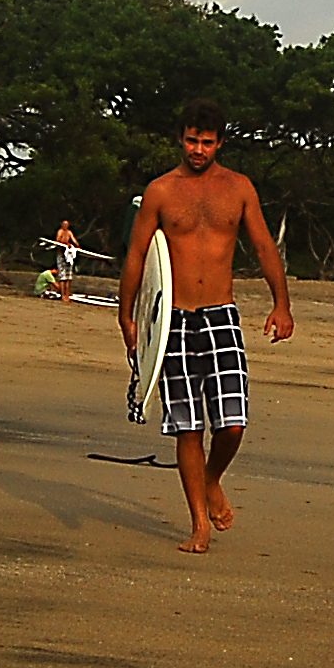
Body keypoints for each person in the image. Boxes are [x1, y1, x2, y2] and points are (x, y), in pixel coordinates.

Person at [120, 100, 294, 554]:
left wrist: (282, 305)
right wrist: (128, 315)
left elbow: (262, 246)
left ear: (220, 143)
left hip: (220, 314)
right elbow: (138, 255)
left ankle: (212, 478)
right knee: (188, 427)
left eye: (208, 141)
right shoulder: (160, 191)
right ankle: (199, 523)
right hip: (172, 318)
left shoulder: (238, 188)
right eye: (192, 140)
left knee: (232, 425)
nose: (199, 149)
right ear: (181, 138)